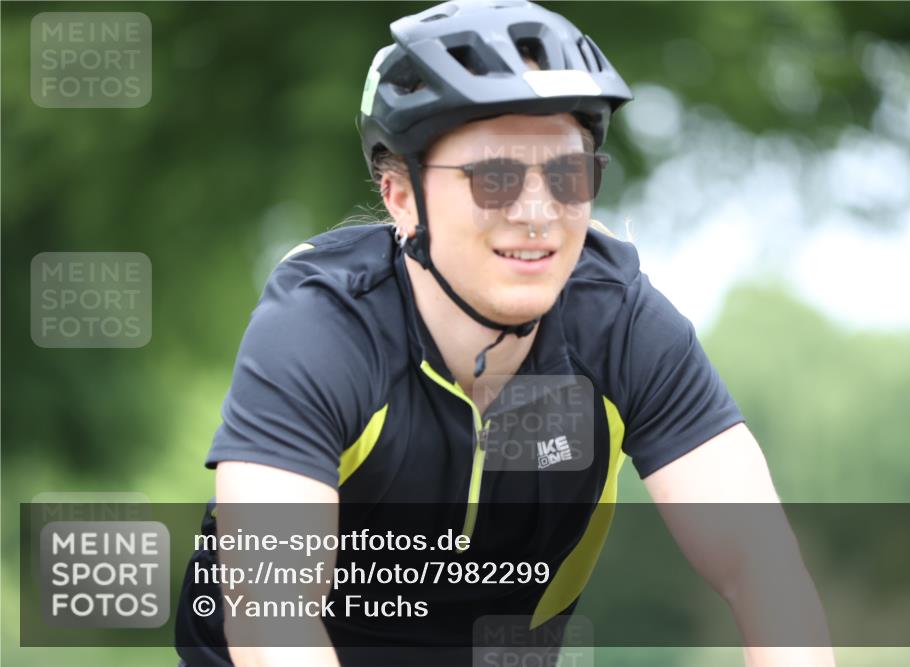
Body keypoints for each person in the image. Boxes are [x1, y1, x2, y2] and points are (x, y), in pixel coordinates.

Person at [176, 1, 836, 665]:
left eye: (567, 173)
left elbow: (765, 573)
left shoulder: (622, 327)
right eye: (494, 176)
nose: (538, 211)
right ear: (401, 195)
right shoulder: (320, 329)